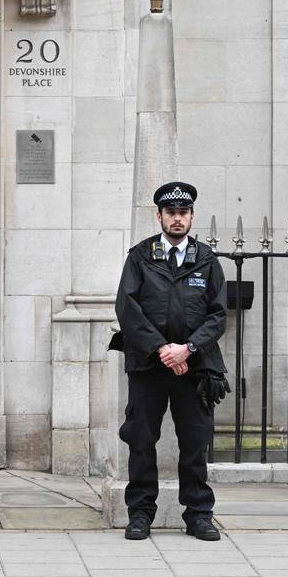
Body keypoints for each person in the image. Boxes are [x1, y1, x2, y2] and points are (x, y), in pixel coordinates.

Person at [114, 181, 229, 542]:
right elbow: (127, 309)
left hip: (194, 367)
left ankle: (198, 515)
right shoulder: (140, 256)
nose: (177, 219)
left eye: (183, 213)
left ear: (192, 216)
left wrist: (187, 349)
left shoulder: (206, 260)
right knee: (142, 440)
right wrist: (163, 349)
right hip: (149, 365)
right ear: (159, 216)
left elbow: (218, 314)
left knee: (194, 443)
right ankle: (141, 514)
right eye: (171, 213)